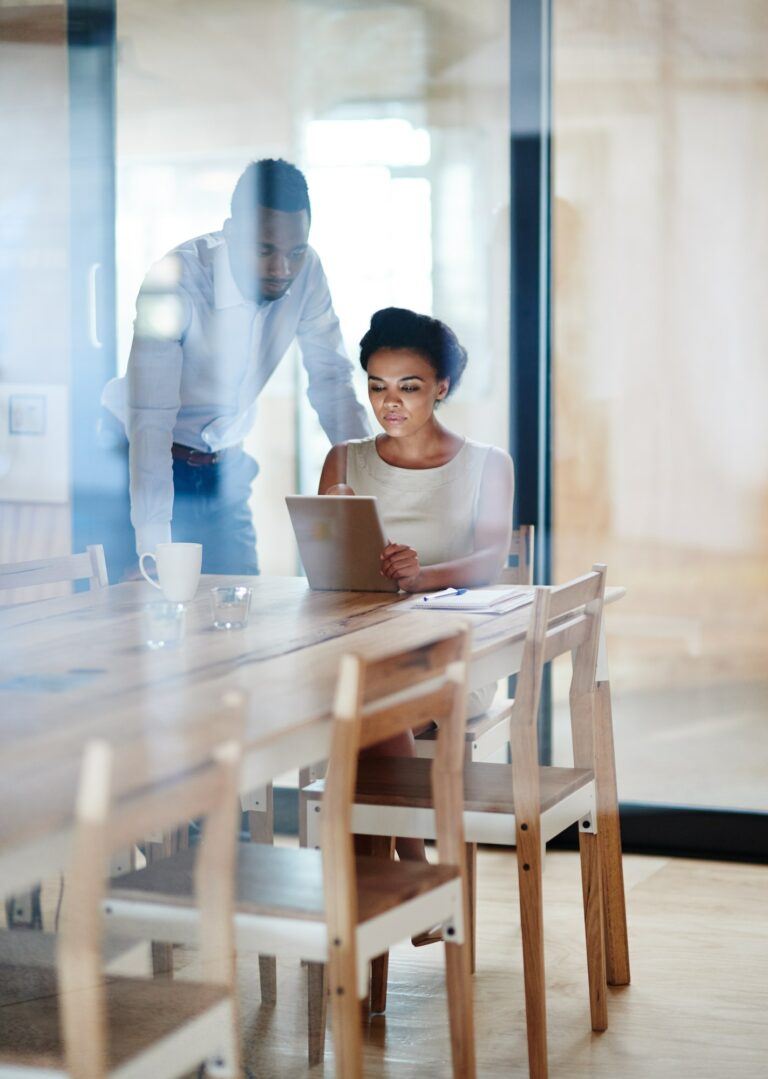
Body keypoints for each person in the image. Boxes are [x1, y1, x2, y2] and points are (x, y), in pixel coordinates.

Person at [102, 158, 370, 576]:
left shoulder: (308, 270)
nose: (282, 270)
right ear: (232, 233)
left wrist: (372, 486)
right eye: (265, 250)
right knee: (149, 612)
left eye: (294, 252)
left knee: (242, 604)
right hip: (142, 462)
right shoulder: (174, 280)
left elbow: (332, 379)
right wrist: (153, 547)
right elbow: (151, 420)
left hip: (225, 467)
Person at [319, 306, 514, 872]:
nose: (389, 403)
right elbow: (327, 570)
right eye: (377, 387)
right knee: (358, 698)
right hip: (360, 646)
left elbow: (491, 561)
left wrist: (420, 575)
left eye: (409, 387)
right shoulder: (345, 459)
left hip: (452, 653)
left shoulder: (485, 464)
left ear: (441, 388)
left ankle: (398, 871)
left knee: (366, 709)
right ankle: (404, 876)